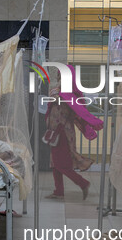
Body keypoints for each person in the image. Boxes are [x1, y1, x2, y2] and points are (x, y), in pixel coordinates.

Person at [45, 66, 104, 200]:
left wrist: (93, 121)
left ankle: (83, 183)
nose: (60, 79)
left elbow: (80, 111)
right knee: (55, 162)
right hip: (55, 133)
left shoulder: (68, 94)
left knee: (61, 163)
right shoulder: (59, 92)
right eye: (59, 76)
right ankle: (59, 191)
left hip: (63, 134)